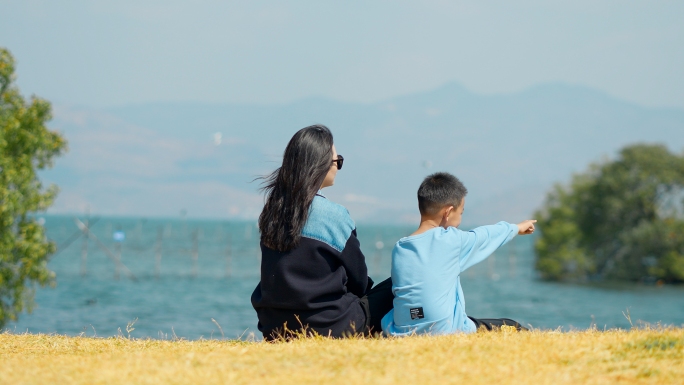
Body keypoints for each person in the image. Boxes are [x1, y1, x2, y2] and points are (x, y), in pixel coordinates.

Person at [251, 124, 393, 340]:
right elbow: (360, 281)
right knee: (397, 285)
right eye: (338, 162)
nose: (337, 167)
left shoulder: (272, 211)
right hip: (328, 327)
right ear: (322, 165)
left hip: (274, 327)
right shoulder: (334, 215)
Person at [381, 172, 535, 336]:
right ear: (448, 212)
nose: (460, 219)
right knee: (512, 326)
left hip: (400, 329)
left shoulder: (400, 248)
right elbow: (485, 236)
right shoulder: (450, 241)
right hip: (442, 330)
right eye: (460, 213)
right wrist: (516, 228)